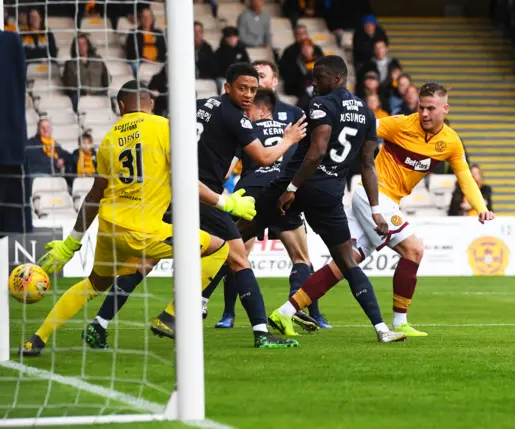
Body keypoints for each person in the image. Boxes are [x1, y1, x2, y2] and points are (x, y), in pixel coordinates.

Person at [19, 80, 255, 356]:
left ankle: (37, 338)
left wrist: (71, 243)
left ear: (121, 106)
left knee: (94, 284)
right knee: (221, 248)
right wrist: (227, 202)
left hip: (109, 228)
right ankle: (170, 315)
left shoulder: (108, 139)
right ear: (151, 103)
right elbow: (186, 180)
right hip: (144, 230)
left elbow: (95, 194)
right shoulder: (165, 128)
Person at [82, 64, 308, 349]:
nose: (249, 95)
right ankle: (260, 334)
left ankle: (99, 324)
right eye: (243, 88)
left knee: (145, 261)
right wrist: (288, 139)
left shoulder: (198, 106)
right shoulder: (235, 118)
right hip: (203, 197)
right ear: (227, 87)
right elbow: (263, 157)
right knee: (238, 259)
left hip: (173, 192)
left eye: (253, 89)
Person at [285, 82, 495, 338]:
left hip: (386, 200)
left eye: (431, 108)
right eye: (421, 107)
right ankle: (400, 322)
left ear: (445, 109)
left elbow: (464, 177)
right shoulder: (400, 124)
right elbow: (361, 127)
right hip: (373, 195)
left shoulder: (451, 142)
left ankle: (285, 312)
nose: (425, 114)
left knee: (345, 263)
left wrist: (481, 207)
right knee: (414, 249)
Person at [237, 55, 406, 343]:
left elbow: (316, 151)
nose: (314, 83)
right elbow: (367, 164)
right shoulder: (366, 113)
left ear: (337, 78)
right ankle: (382, 329)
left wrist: (291, 188)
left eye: (319, 77)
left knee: (236, 238)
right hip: (329, 194)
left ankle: (192, 302)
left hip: (294, 185)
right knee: (347, 262)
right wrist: (376, 210)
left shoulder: (321, 104)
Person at [208, 60, 330, 329]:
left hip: (261, 189)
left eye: (261, 76)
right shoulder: (244, 115)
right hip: (276, 190)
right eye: (252, 78)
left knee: (235, 249)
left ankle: (314, 313)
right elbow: (238, 154)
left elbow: (308, 152)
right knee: (243, 253)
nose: (255, 82)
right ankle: (230, 312)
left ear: (274, 81)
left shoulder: (294, 113)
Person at [62, 33, 110, 112]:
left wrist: (99, 91)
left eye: (84, 44)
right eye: (79, 45)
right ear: (75, 47)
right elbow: (68, 85)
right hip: (79, 96)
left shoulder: (98, 60)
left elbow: (107, 79)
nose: (81, 47)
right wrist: (84, 93)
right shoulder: (70, 63)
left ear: (88, 45)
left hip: (98, 93)